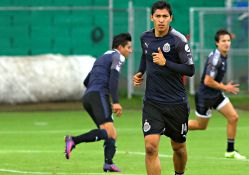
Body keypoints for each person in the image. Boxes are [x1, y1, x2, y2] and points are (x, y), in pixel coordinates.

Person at [133, 1, 194, 175]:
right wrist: (140, 72)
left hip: (176, 103)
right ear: (152, 17)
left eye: (164, 16)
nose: (161, 20)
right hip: (153, 102)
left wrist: (166, 62)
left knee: (179, 148)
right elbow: (146, 57)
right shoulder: (145, 37)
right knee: (150, 147)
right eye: (158, 16)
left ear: (170, 18)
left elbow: (190, 70)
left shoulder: (178, 40)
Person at [64, 33, 132, 172]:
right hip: (99, 95)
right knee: (107, 132)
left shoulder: (101, 57)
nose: (130, 51)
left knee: (111, 133)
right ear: (120, 47)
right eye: (129, 47)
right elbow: (114, 79)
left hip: (89, 97)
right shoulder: (118, 56)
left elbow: (86, 81)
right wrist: (116, 102)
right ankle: (73, 140)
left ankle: (108, 163)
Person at [188, 29, 246, 160]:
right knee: (200, 126)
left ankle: (230, 151)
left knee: (233, 117)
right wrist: (225, 87)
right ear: (217, 43)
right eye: (223, 41)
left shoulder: (223, 55)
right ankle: (173, 126)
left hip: (216, 94)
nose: (227, 43)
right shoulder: (216, 59)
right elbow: (207, 81)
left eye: (228, 40)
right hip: (205, 96)